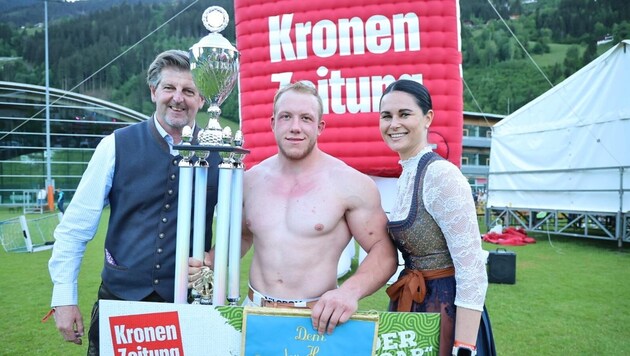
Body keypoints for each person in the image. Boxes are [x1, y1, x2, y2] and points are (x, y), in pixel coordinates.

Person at [47, 49, 221, 355]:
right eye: (169, 88)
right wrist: (63, 296)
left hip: (190, 307)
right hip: (120, 303)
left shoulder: (220, 155)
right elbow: (75, 227)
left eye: (189, 91)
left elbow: (249, 226)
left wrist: (212, 258)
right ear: (154, 91)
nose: (178, 98)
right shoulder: (115, 145)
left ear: (201, 100)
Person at [189, 81, 397, 335]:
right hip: (253, 313)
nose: (295, 127)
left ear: (320, 127)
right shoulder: (250, 181)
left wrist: (348, 292)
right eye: (286, 117)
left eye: (306, 118)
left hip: (316, 322)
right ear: (273, 122)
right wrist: (209, 261)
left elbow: (383, 252)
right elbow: (242, 237)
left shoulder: (351, 184)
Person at [378, 79, 495, 356]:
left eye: (404, 114)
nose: (394, 123)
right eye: (386, 116)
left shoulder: (441, 175)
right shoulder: (408, 171)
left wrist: (464, 345)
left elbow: (472, 269)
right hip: (414, 301)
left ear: (428, 118)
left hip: (445, 308)